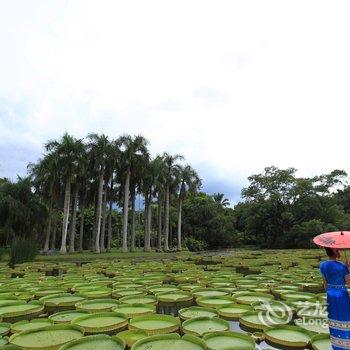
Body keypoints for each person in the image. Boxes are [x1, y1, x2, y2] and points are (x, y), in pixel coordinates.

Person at [320, 247, 350, 350]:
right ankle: (346, 345)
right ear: (333, 252)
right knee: (345, 317)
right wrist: (349, 269)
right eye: (337, 250)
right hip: (341, 294)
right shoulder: (342, 266)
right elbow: (348, 282)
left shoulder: (322, 265)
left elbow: (325, 284)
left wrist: (330, 293)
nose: (339, 252)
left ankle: (336, 345)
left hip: (330, 294)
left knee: (333, 318)